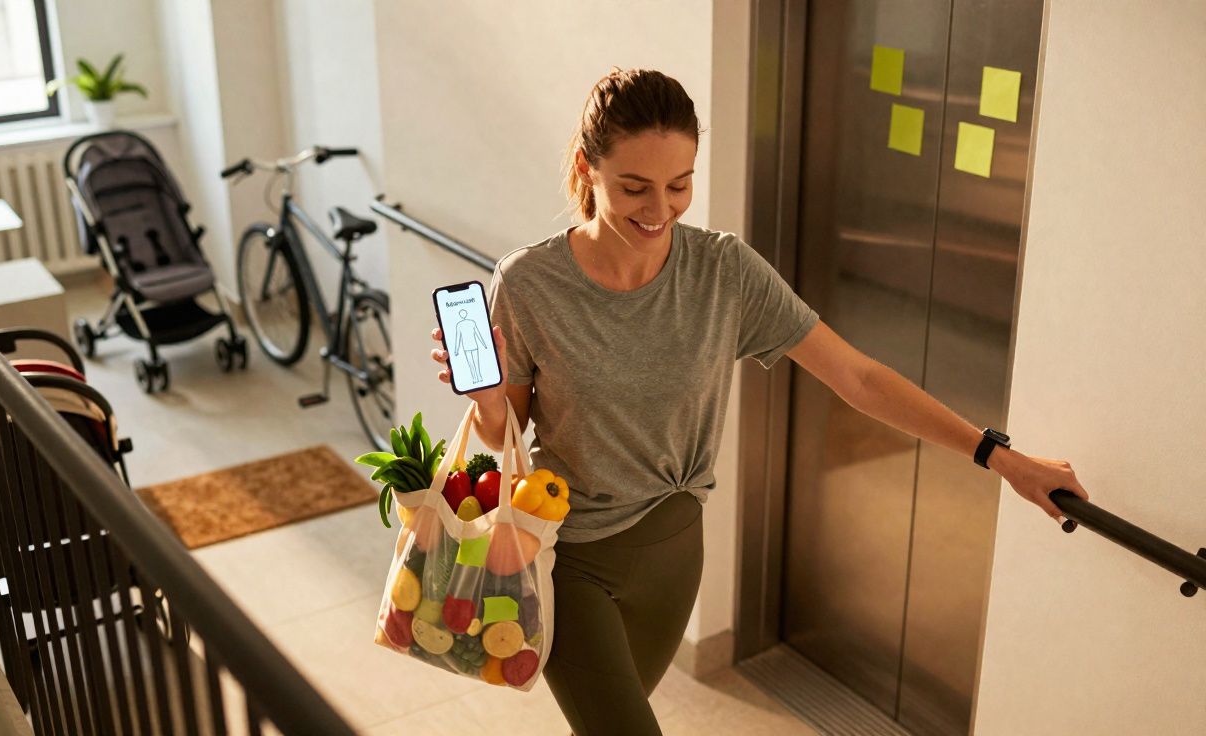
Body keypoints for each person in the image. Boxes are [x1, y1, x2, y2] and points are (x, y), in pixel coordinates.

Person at [429, 68, 1088, 736]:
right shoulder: (530, 282)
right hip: (570, 556)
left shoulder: (724, 272)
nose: (661, 208)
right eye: (634, 187)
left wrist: (998, 456)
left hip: (674, 551)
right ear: (586, 168)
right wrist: (485, 393)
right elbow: (499, 431)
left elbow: (857, 377)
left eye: (680, 184)